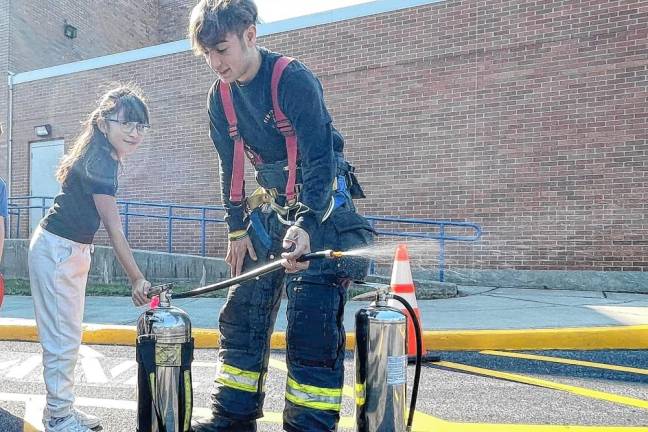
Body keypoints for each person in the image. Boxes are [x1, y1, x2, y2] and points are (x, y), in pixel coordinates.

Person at [188, 1, 374, 431]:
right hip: (269, 213)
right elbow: (229, 166)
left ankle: (308, 425)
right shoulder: (220, 98)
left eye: (222, 49)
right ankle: (231, 418)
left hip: (321, 210)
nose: (216, 63)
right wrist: (236, 228)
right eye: (208, 54)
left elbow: (320, 160)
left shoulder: (293, 80)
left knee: (311, 324)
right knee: (242, 314)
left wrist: (307, 225)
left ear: (249, 35)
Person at [28, 85, 153, 432]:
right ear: (102, 123)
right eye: (126, 123)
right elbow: (114, 228)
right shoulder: (100, 161)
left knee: (67, 334)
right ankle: (58, 416)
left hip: (69, 250)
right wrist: (136, 277)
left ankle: (62, 408)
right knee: (61, 338)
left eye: (141, 126)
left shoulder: (103, 156)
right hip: (57, 250)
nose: (134, 132)